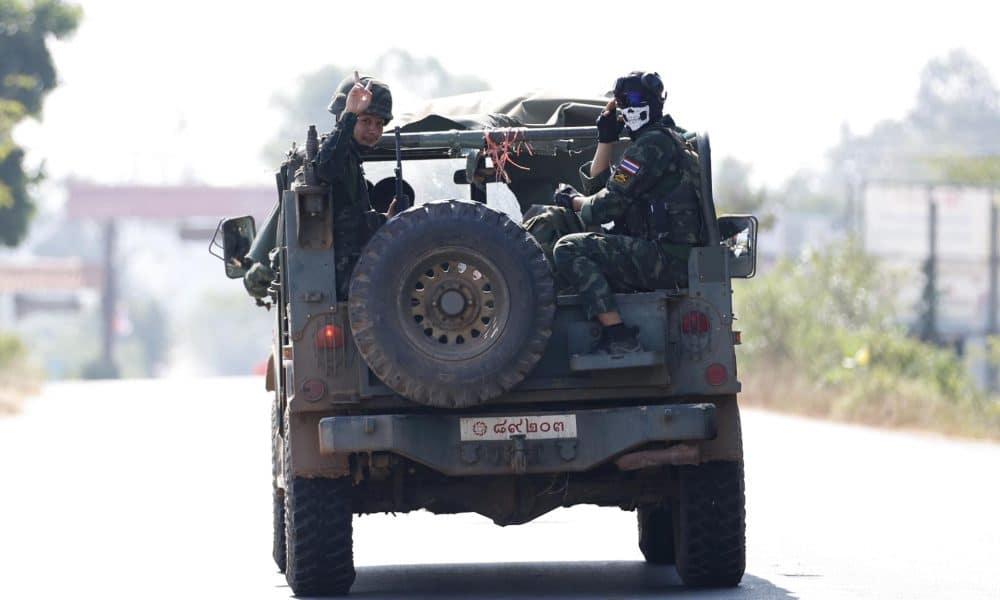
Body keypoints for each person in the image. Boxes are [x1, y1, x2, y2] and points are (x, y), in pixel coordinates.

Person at [550, 71, 703, 355]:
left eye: (633, 100)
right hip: (670, 257)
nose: (628, 108)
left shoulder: (652, 145)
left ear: (653, 102)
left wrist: (572, 201)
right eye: (622, 102)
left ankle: (618, 336)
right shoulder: (665, 140)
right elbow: (603, 191)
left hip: (667, 260)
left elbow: (605, 207)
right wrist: (606, 139)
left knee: (568, 249)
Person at [244, 71, 397, 300]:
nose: (374, 130)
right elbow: (327, 170)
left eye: (379, 123)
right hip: (337, 284)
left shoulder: (352, 160)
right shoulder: (336, 156)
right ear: (342, 117)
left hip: (356, 279)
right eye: (365, 121)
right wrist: (350, 114)